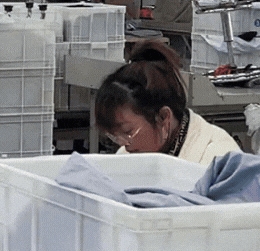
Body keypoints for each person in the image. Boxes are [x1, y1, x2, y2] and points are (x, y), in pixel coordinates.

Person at [94, 41, 240, 166]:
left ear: (164, 117)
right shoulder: (128, 155)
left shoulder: (220, 160)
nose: (124, 144)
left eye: (128, 132)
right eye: (115, 136)